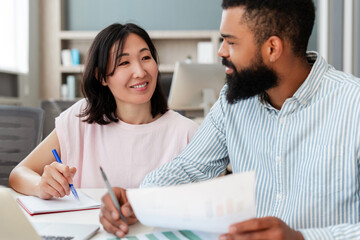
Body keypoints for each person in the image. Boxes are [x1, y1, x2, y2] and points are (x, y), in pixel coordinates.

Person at [99, 0, 360, 239]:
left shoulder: (353, 105)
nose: (221, 51)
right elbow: (188, 169)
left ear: (272, 48)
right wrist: (136, 201)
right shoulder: (232, 102)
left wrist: (302, 238)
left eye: (231, 42)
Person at [9, 23, 198, 200]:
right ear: (102, 77)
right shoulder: (81, 118)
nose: (140, 72)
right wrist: (41, 185)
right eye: (124, 63)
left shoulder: (186, 132)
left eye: (146, 58)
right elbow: (19, 173)